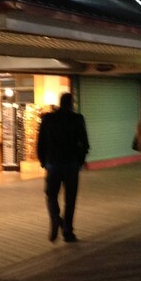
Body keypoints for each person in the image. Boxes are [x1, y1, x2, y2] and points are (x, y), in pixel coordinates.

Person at [37, 92, 89, 243]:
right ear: (71, 103)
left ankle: (55, 218)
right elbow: (84, 143)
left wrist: (43, 161)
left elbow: (41, 141)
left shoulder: (48, 119)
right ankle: (68, 231)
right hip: (71, 164)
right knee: (70, 199)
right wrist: (80, 160)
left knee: (51, 195)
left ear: (60, 103)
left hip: (53, 163)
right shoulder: (77, 119)